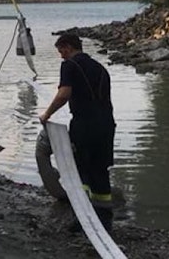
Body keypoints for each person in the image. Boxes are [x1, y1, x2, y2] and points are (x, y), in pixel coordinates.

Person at [39, 33, 116, 231]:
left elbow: (64, 94)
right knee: (100, 169)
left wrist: (47, 114)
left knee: (81, 169)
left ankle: (81, 217)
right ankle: (105, 219)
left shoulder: (70, 66)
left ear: (68, 47)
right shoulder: (100, 68)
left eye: (61, 51)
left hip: (85, 125)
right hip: (107, 125)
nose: (61, 56)